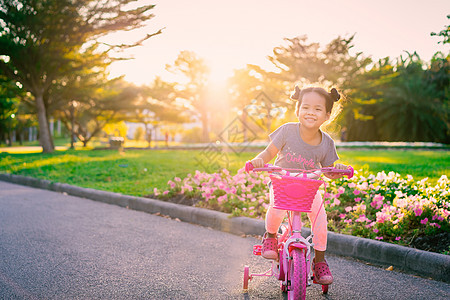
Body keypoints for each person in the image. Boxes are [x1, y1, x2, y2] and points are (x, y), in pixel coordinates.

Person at [248, 85, 349, 285]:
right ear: (298, 110)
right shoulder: (287, 131)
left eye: (318, 109)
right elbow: (269, 152)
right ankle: (270, 236)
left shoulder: (327, 142)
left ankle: (319, 262)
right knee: (276, 209)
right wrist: (259, 160)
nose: (311, 112)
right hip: (282, 184)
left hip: (309, 189)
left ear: (327, 115)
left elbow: (329, 170)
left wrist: (338, 171)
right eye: (306, 107)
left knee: (320, 220)